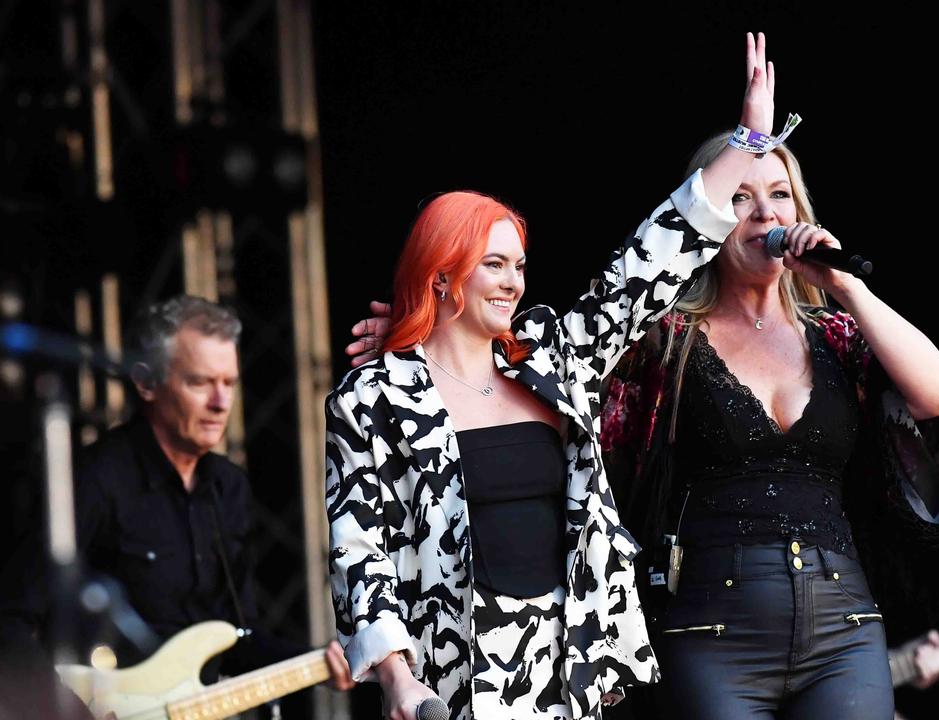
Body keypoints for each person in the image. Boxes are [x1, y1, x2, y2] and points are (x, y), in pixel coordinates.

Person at [323, 33, 790, 720]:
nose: (513, 283)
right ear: (443, 275)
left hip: (568, 665)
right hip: (457, 678)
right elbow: (360, 554)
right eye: (493, 265)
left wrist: (749, 141)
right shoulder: (374, 398)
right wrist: (397, 678)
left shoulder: (549, 360)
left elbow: (642, 268)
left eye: (519, 265)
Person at [597, 120, 939, 717]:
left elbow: (937, 394)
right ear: (708, 219)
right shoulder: (664, 341)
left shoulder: (837, 336)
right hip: (709, 631)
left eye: (778, 195)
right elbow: (560, 369)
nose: (763, 215)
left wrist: (845, 287)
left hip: (842, 625)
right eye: (739, 198)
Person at [0, 295, 354, 718]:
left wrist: (319, 662)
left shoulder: (228, 489)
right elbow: (6, 620)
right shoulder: (97, 480)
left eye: (229, 383)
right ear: (146, 383)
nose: (220, 403)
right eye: (200, 382)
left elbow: (237, 640)